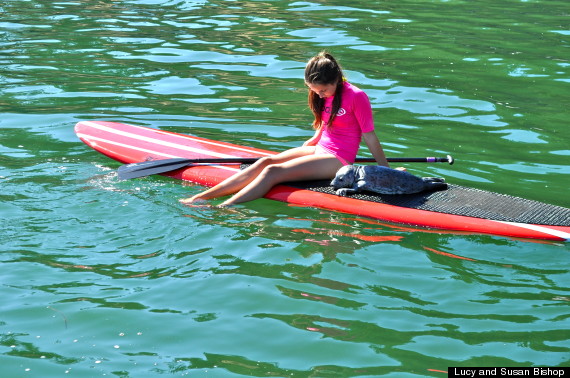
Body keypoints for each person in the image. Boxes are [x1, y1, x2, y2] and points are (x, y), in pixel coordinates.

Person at [180, 51, 390, 207]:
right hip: (321, 148)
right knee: (265, 161)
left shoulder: (356, 96)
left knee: (273, 172)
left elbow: (369, 136)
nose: (318, 95)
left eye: (322, 90)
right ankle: (201, 197)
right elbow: (326, 120)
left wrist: (386, 171)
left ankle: (223, 207)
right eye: (313, 90)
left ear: (335, 80)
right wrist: (315, 138)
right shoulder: (325, 94)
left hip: (339, 158)